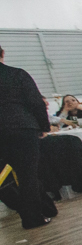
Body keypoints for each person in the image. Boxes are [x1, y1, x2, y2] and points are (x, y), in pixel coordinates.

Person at [0, 44, 56, 228]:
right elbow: (36, 102)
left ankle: (47, 208)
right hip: (22, 128)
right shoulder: (17, 74)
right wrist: (44, 126)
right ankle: (33, 218)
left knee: (7, 176)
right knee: (28, 174)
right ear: (3, 53)